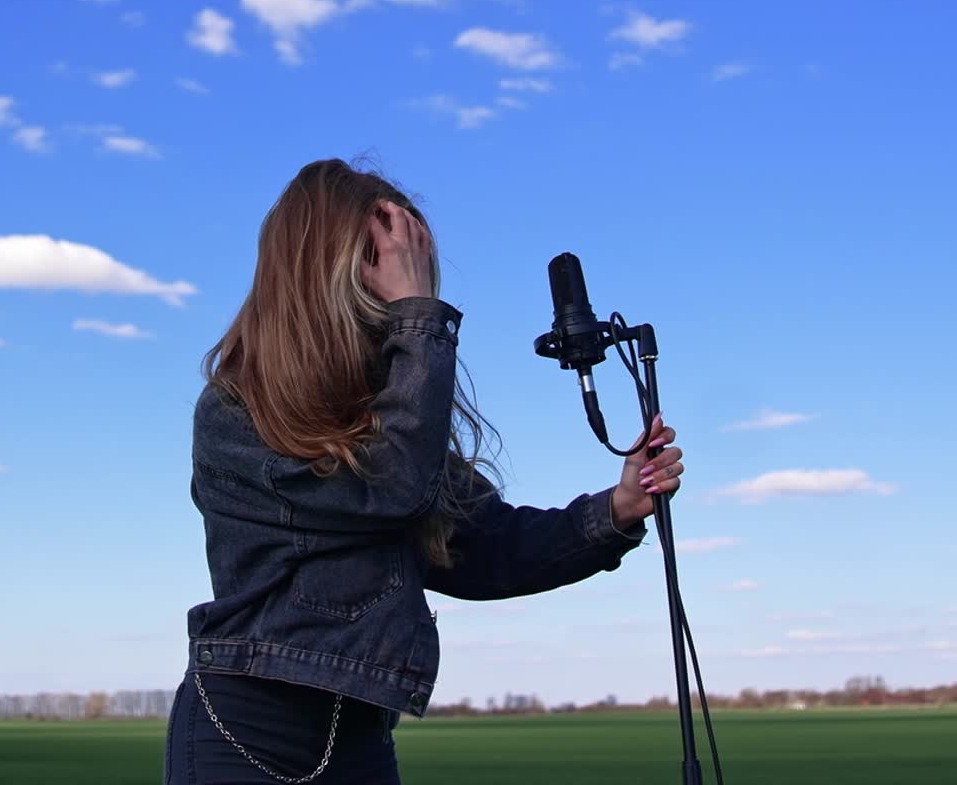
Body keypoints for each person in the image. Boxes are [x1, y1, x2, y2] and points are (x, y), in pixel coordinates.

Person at [164, 159, 686, 784]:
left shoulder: (391, 423)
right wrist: (421, 319)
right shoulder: (235, 410)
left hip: (359, 738)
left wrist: (618, 510)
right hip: (247, 736)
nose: (403, 293)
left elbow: (484, 547)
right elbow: (390, 492)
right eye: (386, 267)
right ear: (325, 271)